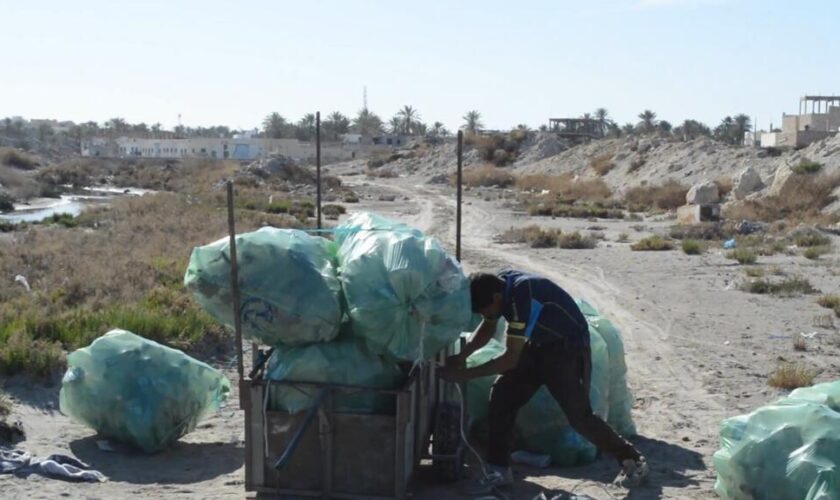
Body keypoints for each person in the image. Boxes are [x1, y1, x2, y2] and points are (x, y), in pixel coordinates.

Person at [441, 270, 648, 494]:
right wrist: (463, 356)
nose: (486, 315)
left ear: (496, 299)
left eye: (485, 310)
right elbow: (489, 325)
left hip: (568, 349)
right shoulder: (498, 286)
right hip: (538, 346)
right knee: (502, 396)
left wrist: (465, 375)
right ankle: (499, 470)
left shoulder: (521, 296)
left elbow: (509, 359)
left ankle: (632, 460)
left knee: (580, 418)